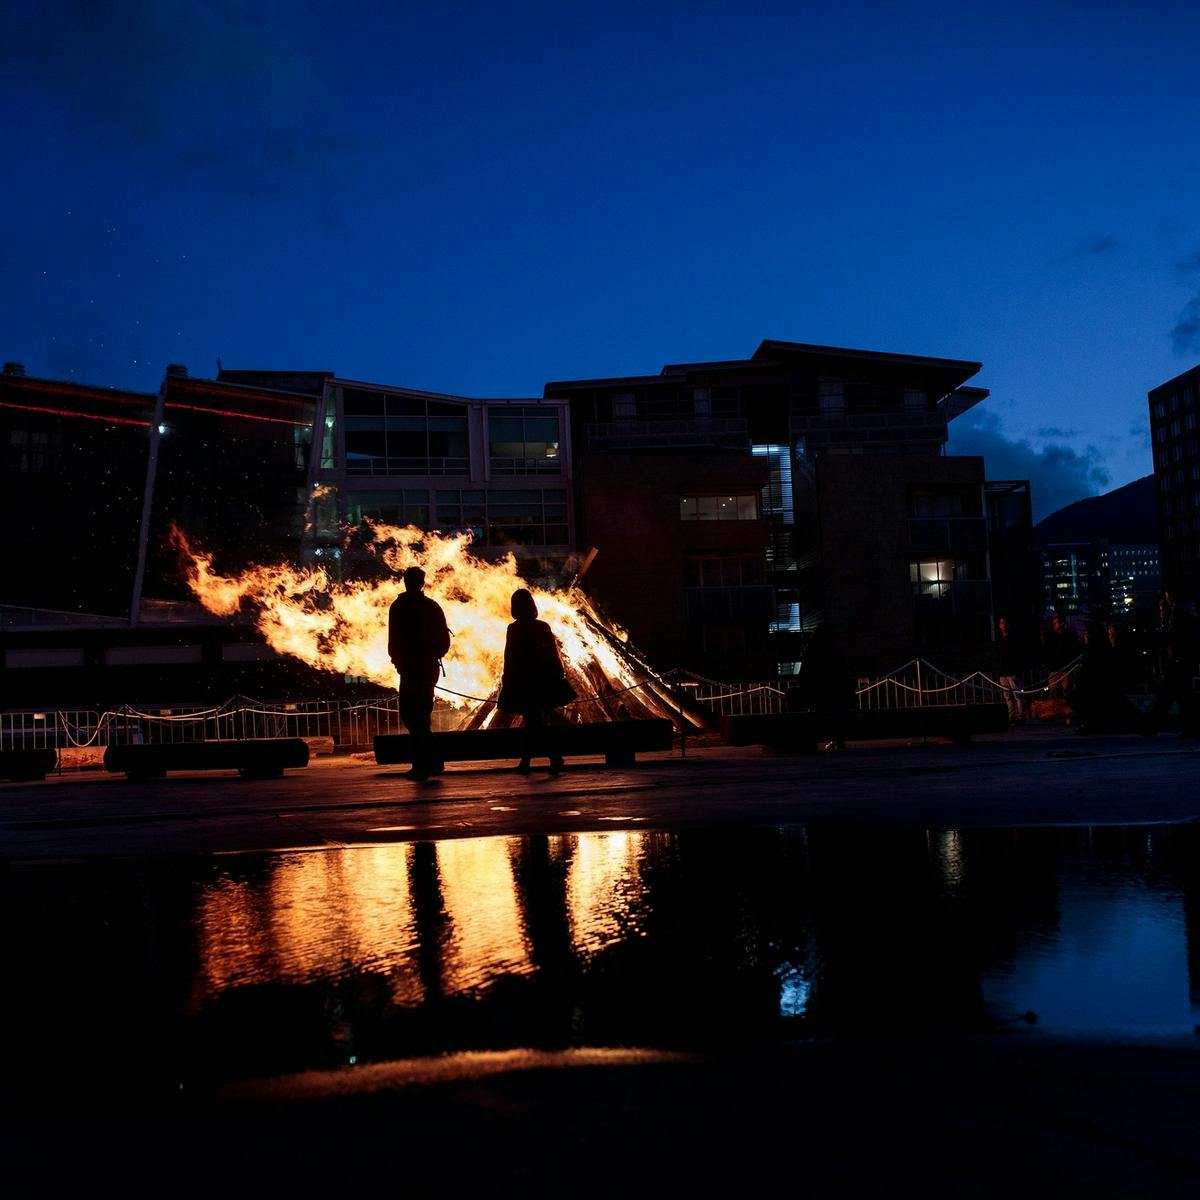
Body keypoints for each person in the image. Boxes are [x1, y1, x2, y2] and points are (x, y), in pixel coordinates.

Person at [497, 588, 576, 774]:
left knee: (533, 724)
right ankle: (540, 760)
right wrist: (558, 675)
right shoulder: (542, 627)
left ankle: (545, 759)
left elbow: (510, 657)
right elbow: (552, 655)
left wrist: (507, 679)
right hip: (541, 681)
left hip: (524, 683)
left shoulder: (513, 629)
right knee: (534, 723)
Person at [388, 565, 451, 781]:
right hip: (427, 667)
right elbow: (444, 641)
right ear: (422, 583)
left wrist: (399, 662)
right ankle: (432, 762)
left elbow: (393, 640)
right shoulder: (431, 606)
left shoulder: (398, 607)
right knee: (421, 716)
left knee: (413, 717)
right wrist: (433, 655)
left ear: (406, 582)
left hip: (411, 668)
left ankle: (423, 764)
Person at [1142, 582, 1200, 738]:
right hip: (1184, 658)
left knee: (1169, 693)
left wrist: (1159, 641)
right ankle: (1155, 724)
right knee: (1180, 694)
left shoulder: (1178, 612)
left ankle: (1153, 725)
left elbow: (1174, 636)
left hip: (1179, 658)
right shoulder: (1189, 611)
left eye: (1167, 594)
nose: (1166, 597)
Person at [994, 615, 1025, 726]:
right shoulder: (999, 640)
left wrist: (1017, 669)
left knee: (1017, 695)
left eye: (1005, 623)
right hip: (1003, 672)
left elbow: (1018, 655)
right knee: (1007, 697)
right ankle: (1011, 717)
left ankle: (1021, 716)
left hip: (1012, 671)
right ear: (999, 626)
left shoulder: (1014, 639)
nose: (1004, 625)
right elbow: (997, 655)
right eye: (1002, 623)